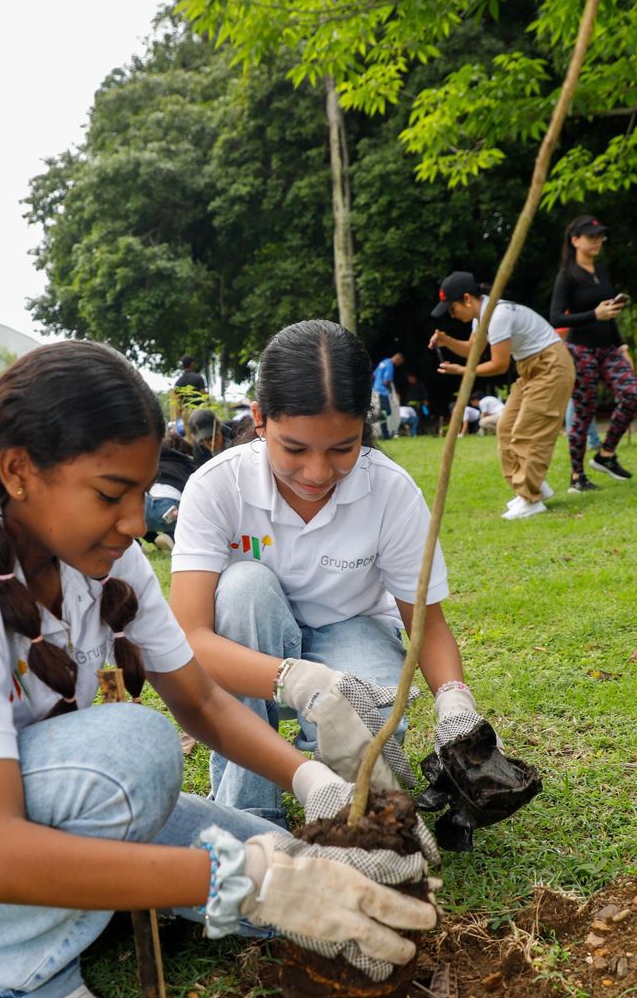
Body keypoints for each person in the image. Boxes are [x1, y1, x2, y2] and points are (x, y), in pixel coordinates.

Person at [0, 343, 435, 998]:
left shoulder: (107, 556)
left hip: (43, 796)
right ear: (19, 471)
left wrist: (311, 789)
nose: (136, 521)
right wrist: (242, 883)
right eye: (110, 494)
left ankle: (103, 911)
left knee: (294, 872)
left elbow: (202, 701)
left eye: (141, 494)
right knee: (138, 755)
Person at [169, 319, 507, 825]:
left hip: (352, 630)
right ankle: (252, 813)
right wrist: (298, 680)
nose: (317, 473)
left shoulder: (390, 492)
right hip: (248, 646)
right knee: (243, 588)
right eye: (294, 449)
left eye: (342, 449)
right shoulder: (218, 486)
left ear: (363, 427)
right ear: (260, 419)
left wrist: (456, 704)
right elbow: (192, 638)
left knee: (369, 726)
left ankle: (341, 815)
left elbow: (426, 622)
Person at [430, 271, 574, 522]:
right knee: (506, 428)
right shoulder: (482, 316)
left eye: (452, 310)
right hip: (530, 368)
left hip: (551, 365)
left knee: (527, 431)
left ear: (466, 299)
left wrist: (463, 371)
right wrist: (446, 341)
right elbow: (473, 349)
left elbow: (498, 365)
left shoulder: (498, 315)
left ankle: (531, 498)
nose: (453, 316)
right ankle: (531, 488)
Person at [549, 215, 637, 492]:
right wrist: (594, 314)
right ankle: (577, 476)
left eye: (600, 236)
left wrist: (622, 346)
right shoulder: (567, 276)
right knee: (584, 410)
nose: (598, 241)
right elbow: (555, 318)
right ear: (575, 240)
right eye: (591, 237)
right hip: (581, 350)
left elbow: (609, 315)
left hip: (609, 349)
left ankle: (605, 455)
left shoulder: (601, 270)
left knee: (633, 393)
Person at [371, 351, 404, 439]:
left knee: (383, 412)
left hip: (375, 390)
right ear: (397, 359)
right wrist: (391, 390)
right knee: (387, 412)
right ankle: (373, 418)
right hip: (382, 392)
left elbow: (374, 375)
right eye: (399, 363)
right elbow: (387, 381)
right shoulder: (390, 365)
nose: (398, 365)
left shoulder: (383, 362)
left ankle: (385, 435)